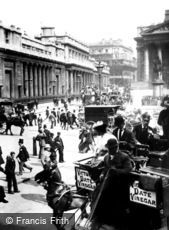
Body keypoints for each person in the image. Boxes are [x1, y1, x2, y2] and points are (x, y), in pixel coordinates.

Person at [91, 138, 133, 229]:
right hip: (109, 182)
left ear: (116, 147)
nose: (110, 151)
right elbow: (105, 168)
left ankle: (117, 223)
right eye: (109, 149)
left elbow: (128, 170)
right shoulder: (106, 157)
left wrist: (116, 171)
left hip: (120, 183)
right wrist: (102, 174)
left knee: (117, 202)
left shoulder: (124, 157)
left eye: (112, 149)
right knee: (97, 193)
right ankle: (100, 217)